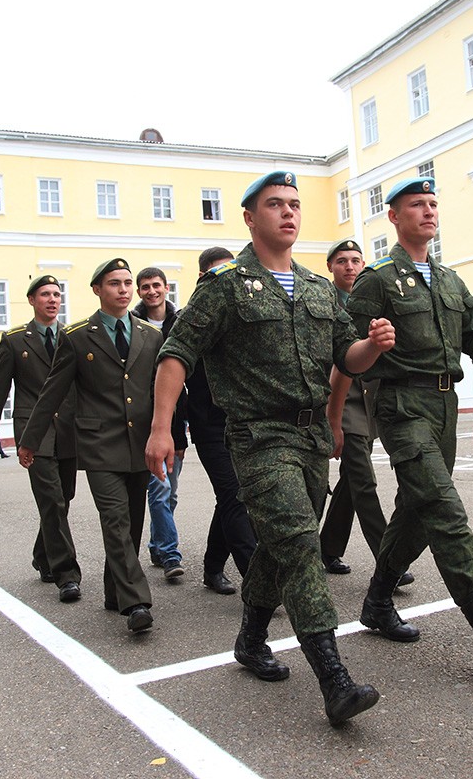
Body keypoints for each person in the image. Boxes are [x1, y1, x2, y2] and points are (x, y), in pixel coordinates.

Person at [147, 171, 393, 725]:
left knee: (279, 545)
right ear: (250, 218)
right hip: (258, 436)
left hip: (309, 437)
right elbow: (176, 354)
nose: (288, 213)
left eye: (295, 205)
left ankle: (251, 637)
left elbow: (343, 360)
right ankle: (334, 678)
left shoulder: (317, 287)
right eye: (275, 204)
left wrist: (369, 349)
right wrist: (162, 428)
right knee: (301, 542)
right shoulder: (227, 285)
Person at [345, 177, 473, 677]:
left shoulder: (450, 281)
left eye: (434, 203)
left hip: (443, 405)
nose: (428, 211)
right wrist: (371, 346)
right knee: (444, 509)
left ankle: (377, 601)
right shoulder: (377, 280)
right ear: (394, 216)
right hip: (400, 404)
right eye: (417, 205)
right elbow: (343, 350)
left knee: (415, 510)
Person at [19, 258, 161, 634]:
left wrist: (169, 436)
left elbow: (156, 391)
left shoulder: (150, 334)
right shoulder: (79, 335)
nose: (124, 289)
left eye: (128, 282)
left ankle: (115, 592)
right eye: (115, 283)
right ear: (98, 289)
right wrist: (30, 440)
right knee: (114, 521)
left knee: (131, 524)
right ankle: (136, 604)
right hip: (99, 445)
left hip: (140, 443)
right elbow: (52, 392)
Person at [0, 275, 81, 600]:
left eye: (56, 294)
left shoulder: (73, 337)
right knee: (52, 499)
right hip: (33, 433)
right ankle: (67, 575)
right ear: (32, 300)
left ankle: (43, 556)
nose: (52, 299)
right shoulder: (14, 341)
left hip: (67, 430)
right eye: (45, 294)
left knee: (63, 499)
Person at [319, 238, 413, 586]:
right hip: (339, 400)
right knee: (364, 479)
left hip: (370, 399)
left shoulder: (373, 300)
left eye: (356, 260)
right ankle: (388, 560)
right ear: (331, 267)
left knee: (350, 481)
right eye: (341, 260)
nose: (350, 266)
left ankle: (327, 547)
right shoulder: (323, 300)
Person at [187, 246, 259, 595]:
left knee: (232, 497)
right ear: (204, 276)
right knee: (233, 493)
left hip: (244, 420)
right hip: (209, 424)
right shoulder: (190, 316)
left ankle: (213, 566)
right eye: (218, 271)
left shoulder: (245, 310)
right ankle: (256, 579)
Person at [133, 266, 188, 580]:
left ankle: (156, 544)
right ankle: (169, 554)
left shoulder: (179, 323)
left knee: (170, 492)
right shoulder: (133, 325)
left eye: (156, 285)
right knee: (159, 489)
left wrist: (181, 432)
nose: (151, 291)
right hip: (145, 419)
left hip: (176, 421)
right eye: (145, 287)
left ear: (166, 288)